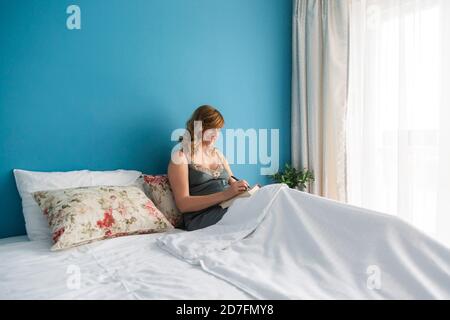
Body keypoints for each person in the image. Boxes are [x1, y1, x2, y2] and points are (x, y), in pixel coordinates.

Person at [168, 105, 249, 231]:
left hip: (228, 206)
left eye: (218, 129)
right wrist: (226, 194)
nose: (215, 134)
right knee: (252, 212)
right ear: (199, 127)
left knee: (274, 195)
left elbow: (233, 182)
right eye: (212, 129)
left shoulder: (218, 154)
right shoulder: (180, 157)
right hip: (201, 217)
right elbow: (183, 204)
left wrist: (244, 189)